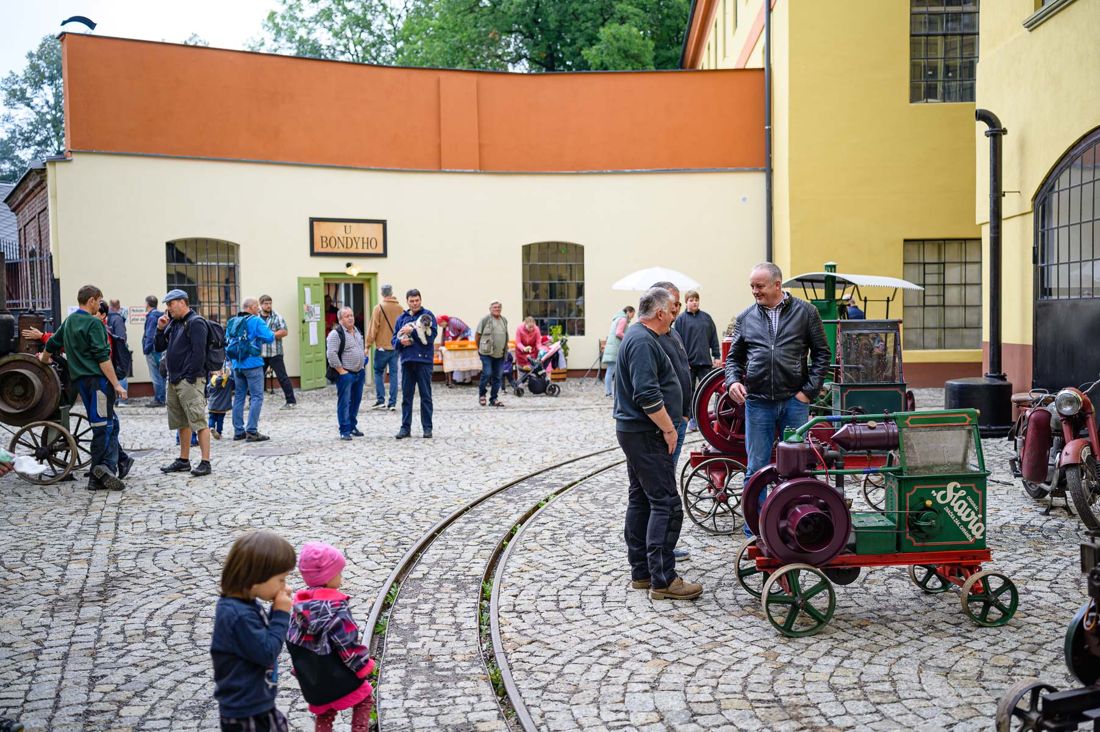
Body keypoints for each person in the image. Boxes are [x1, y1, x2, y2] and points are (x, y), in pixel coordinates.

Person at [725, 262, 830, 536]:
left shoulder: (806, 312)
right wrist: (733, 380)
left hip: (794, 401)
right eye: (752, 287)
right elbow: (733, 359)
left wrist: (807, 391)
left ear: (777, 285)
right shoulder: (745, 317)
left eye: (759, 286)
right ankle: (756, 532)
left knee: (796, 468)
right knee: (756, 468)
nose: (754, 292)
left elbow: (822, 354)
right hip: (758, 402)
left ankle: (793, 528)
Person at [614, 287, 702, 601]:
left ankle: (642, 572)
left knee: (641, 499)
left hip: (638, 431)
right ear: (660, 312)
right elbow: (647, 395)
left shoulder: (644, 337)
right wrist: (669, 430)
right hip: (646, 432)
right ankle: (663, 579)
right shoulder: (641, 340)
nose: (674, 315)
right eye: (672, 310)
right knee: (666, 503)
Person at [39, 285, 128, 491]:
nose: (99, 305)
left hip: (80, 382)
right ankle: (97, 475)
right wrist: (116, 384)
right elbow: (102, 358)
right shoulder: (94, 323)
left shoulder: (69, 321)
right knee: (102, 427)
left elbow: (51, 345)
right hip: (98, 382)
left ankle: (110, 466)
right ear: (91, 300)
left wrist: (43, 361)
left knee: (108, 424)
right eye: (98, 301)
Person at [211, 530, 296, 732]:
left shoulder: (244, 605)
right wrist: (281, 613)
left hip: (257, 703)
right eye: (281, 579)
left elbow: (259, 636)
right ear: (257, 579)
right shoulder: (238, 615)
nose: (285, 585)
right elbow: (266, 651)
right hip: (245, 711)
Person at [287, 543, 375, 732]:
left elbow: (293, 641)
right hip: (337, 673)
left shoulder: (299, 607)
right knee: (365, 697)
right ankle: (360, 729)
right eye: (339, 573)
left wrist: (301, 669)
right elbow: (347, 645)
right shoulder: (336, 608)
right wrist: (363, 667)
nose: (341, 578)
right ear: (327, 578)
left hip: (315, 679)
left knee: (325, 711)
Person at [155, 289, 214, 476]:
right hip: (173, 379)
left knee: (198, 420)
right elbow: (158, 346)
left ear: (182, 302)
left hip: (189, 380)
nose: (168, 308)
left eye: (170, 304)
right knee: (181, 421)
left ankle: (205, 462)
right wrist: (159, 328)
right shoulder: (174, 323)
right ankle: (184, 460)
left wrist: (190, 376)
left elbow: (199, 353)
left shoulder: (196, 322)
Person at [227, 298, 276, 442]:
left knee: (239, 397)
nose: (259, 310)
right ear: (252, 307)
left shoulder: (233, 321)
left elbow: (227, 341)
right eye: (257, 307)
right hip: (253, 363)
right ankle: (252, 431)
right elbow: (269, 337)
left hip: (237, 364)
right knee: (256, 397)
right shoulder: (256, 320)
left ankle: (238, 431)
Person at [674, 289, 722, 431]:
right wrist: (683, 361)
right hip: (688, 364)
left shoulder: (706, 318)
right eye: (691, 300)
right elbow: (677, 342)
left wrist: (717, 355)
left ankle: (710, 418)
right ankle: (693, 419)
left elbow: (713, 337)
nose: (694, 302)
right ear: (686, 302)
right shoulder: (681, 320)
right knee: (690, 392)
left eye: (696, 300)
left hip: (705, 362)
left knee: (709, 392)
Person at [392, 289, 436, 439]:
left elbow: (430, 339)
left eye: (417, 300)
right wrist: (400, 341)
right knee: (406, 397)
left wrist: (413, 332)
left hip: (423, 362)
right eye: (412, 301)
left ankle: (427, 428)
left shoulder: (428, 316)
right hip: (407, 361)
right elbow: (393, 340)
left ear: (421, 300)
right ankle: (405, 428)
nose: (415, 303)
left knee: (425, 396)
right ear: (407, 302)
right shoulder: (401, 318)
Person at [327, 306, 367, 441]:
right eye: (346, 316)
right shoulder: (335, 334)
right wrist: (341, 371)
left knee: (356, 401)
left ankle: (352, 426)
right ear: (340, 320)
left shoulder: (357, 331)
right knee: (344, 402)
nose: (350, 318)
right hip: (346, 374)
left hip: (359, 373)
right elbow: (331, 354)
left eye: (351, 315)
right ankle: (344, 430)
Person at [365, 284, 404, 411]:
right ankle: (392, 403)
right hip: (395, 347)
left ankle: (380, 400)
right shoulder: (400, 308)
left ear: (382, 294)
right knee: (393, 374)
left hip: (382, 347)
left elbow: (373, 328)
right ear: (392, 293)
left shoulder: (379, 308)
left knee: (378, 372)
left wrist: (367, 345)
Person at [258, 295, 297, 409]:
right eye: (266, 303)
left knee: (282, 377)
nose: (269, 305)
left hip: (275, 353)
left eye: (270, 303)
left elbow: (285, 331)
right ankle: (253, 402)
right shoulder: (255, 317)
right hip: (260, 353)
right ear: (261, 304)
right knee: (257, 378)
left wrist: (270, 335)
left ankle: (291, 401)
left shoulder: (277, 317)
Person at [475, 301, 509, 407]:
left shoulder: (504, 320)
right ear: (490, 309)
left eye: (499, 307)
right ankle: (482, 395)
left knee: (498, 377)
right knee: (487, 373)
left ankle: (493, 399)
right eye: (494, 307)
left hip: (500, 354)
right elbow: (477, 335)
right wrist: (479, 348)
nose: (497, 309)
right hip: (486, 353)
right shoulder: (485, 320)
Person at [602, 306, 635, 397]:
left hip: (613, 347)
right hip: (615, 348)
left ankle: (611, 392)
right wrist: (628, 337)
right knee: (611, 371)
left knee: (611, 371)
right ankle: (609, 393)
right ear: (629, 312)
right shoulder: (623, 319)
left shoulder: (617, 318)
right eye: (633, 314)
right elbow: (618, 333)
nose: (633, 316)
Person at [106, 299, 132, 403]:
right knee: (122, 373)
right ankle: (122, 400)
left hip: (110, 350)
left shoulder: (107, 318)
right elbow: (121, 337)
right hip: (118, 351)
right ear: (119, 306)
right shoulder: (118, 319)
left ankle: (117, 399)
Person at [142, 295, 167, 407]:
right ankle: (162, 398)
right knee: (161, 374)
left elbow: (150, 334)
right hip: (158, 349)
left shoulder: (152, 316)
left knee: (156, 375)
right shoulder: (159, 315)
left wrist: (146, 349)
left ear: (147, 304)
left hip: (152, 350)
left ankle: (159, 399)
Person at [437, 314, 473, 384]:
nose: (439, 325)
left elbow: (467, 330)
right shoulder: (446, 326)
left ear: (444, 321)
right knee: (457, 362)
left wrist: (459, 339)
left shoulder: (454, 321)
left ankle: (467, 379)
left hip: (462, 345)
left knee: (463, 362)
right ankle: (461, 379)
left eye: (439, 323)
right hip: (454, 347)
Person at [207, 368, 234, 440]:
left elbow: (208, 390)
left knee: (211, 417)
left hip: (212, 404)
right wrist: (228, 374)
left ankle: (211, 427)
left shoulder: (212, 380)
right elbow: (234, 385)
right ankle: (219, 433)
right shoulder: (227, 381)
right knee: (220, 420)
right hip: (222, 406)